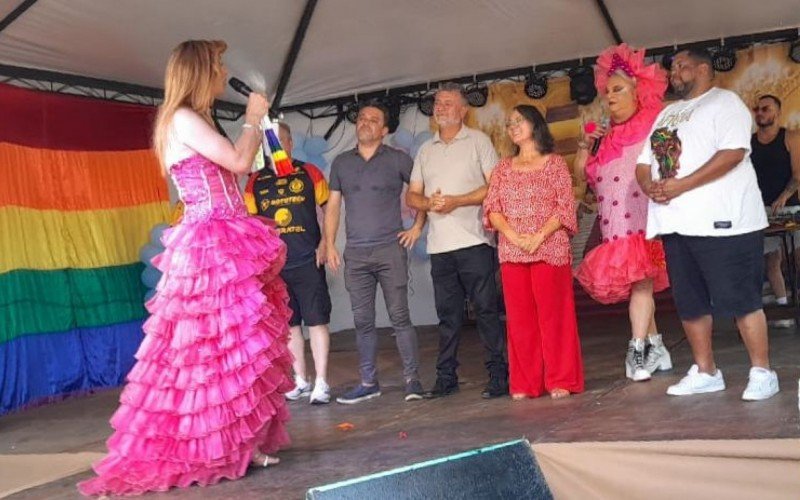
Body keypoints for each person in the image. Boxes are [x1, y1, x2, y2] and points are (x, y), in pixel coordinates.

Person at [77, 40, 293, 496]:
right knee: (213, 352)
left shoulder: (194, 118)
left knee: (234, 350)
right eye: (217, 66)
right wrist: (253, 116)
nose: (223, 72)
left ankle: (240, 443)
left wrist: (257, 128)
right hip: (210, 243)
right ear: (199, 72)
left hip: (225, 235)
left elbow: (235, 169)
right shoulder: (182, 118)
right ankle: (219, 447)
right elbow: (236, 161)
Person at [636, 48, 779, 401]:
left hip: (725, 223)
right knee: (691, 303)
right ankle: (706, 370)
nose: (675, 73)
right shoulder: (666, 114)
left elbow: (733, 153)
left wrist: (682, 185)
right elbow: (643, 162)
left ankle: (762, 371)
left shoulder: (725, 102)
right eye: (673, 68)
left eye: (682, 66)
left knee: (743, 300)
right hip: (676, 224)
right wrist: (648, 186)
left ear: (704, 69)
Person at [573, 44, 672, 382]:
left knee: (641, 285)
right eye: (607, 90)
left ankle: (638, 350)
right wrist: (586, 145)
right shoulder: (603, 137)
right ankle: (656, 345)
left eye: (618, 89)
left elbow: (670, 165)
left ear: (637, 91)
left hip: (642, 223)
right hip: (614, 228)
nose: (610, 96)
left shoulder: (651, 127)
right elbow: (580, 175)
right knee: (637, 287)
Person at [406, 83, 509, 399]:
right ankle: (446, 377)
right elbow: (413, 195)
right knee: (447, 318)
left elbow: (495, 186)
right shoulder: (426, 149)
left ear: (464, 110)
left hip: (475, 242)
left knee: (486, 312)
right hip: (440, 248)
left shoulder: (478, 141)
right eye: (437, 103)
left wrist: (457, 201)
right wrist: (429, 204)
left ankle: (498, 376)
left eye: (448, 103)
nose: (441, 108)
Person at [325, 101, 426, 404]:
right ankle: (369, 382)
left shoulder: (397, 159)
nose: (365, 122)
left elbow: (421, 193)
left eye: (373, 120)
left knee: (399, 317)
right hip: (355, 253)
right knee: (363, 321)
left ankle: (413, 381)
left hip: (389, 250)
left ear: (384, 130)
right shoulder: (341, 162)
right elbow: (332, 206)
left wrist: (417, 227)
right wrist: (330, 243)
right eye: (362, 118)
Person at [483, 105, 584, 399]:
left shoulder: (554, 164)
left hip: (549, 248)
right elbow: (492, 209)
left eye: (519, 121)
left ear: (535, 125)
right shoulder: (502, 167)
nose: (513, 126)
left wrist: (538, 236)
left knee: (555, 317)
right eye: (509, 122)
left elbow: (565, 207)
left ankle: (561, 379)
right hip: (513, 251)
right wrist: (515, 237)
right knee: (520, 319)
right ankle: (526, 383)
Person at [244, 121, 333, 404]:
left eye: (280, 141)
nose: (275, 147)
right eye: (270, 142)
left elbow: (330, 205)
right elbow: (250, 224)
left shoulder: (310, 172)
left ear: (291, 143)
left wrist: (326, 242)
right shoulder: (255, 181)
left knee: (317, 321)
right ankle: (301, 380)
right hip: (276, 267)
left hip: (309, 259)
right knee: (291, 325)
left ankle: (321, 382)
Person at [751, 94, 800, 312]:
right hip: (762, 210)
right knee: (771, 259)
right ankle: (783, 306)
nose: (760, 112)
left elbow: (798, 174)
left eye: (766, 109)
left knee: (797, 256)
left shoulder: (790, 137)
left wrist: (784, 196)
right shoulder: (749, 142)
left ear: (777, 112)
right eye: (758, 109)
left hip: (789, 207)